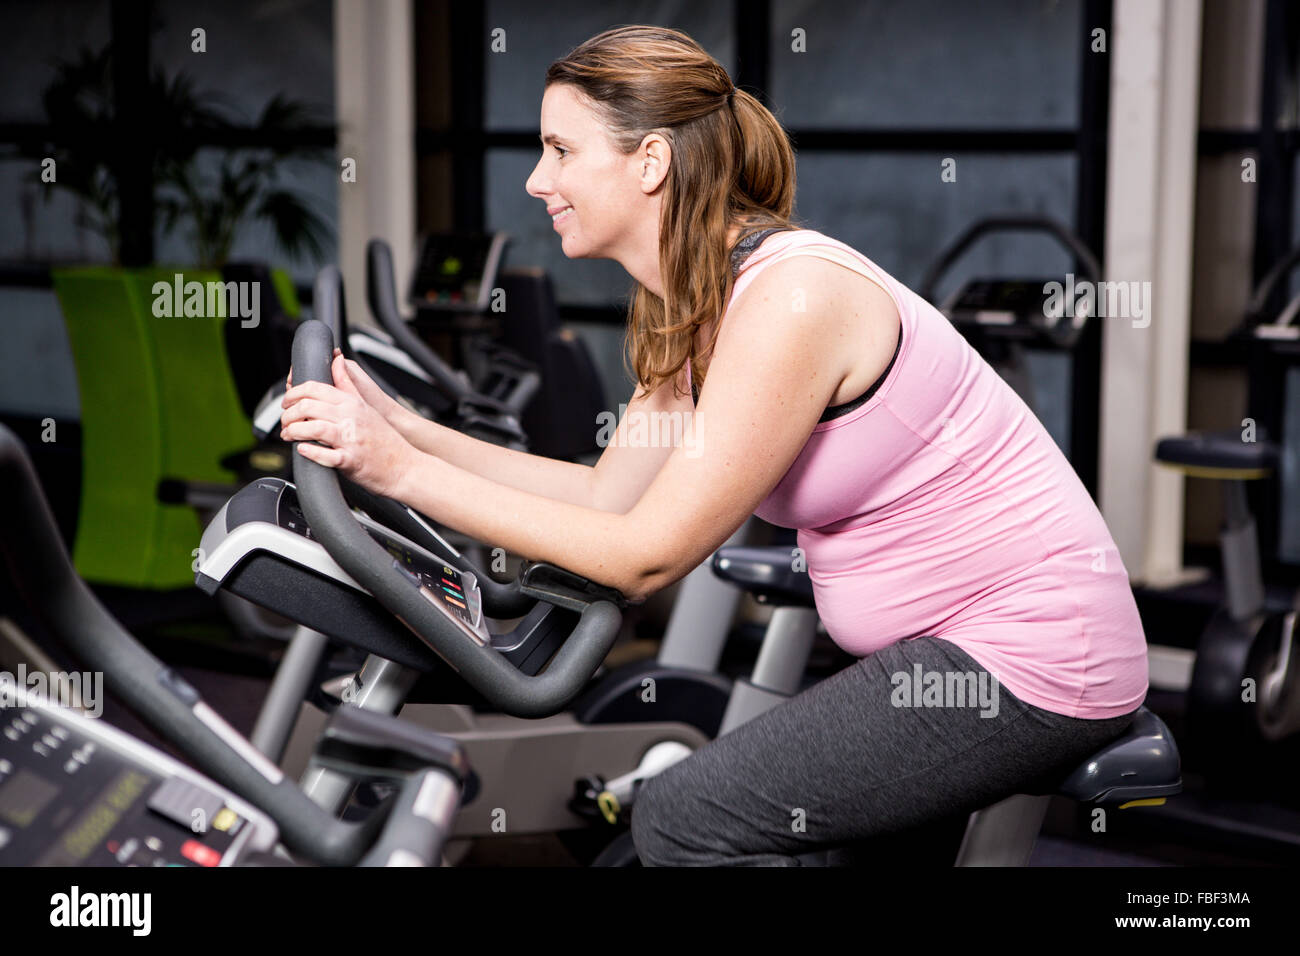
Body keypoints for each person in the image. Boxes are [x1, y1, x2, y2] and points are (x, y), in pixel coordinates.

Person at [279, 25, 1148, 866]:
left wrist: (398, 472)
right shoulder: (696, 303)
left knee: (684, 820)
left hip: (1028, 656)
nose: (538, 181)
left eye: (562, 151)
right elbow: (604, 496)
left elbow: (644, 557)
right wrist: (405, 430)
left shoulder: (789, 299)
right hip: (936, 654)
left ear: (650, 161)